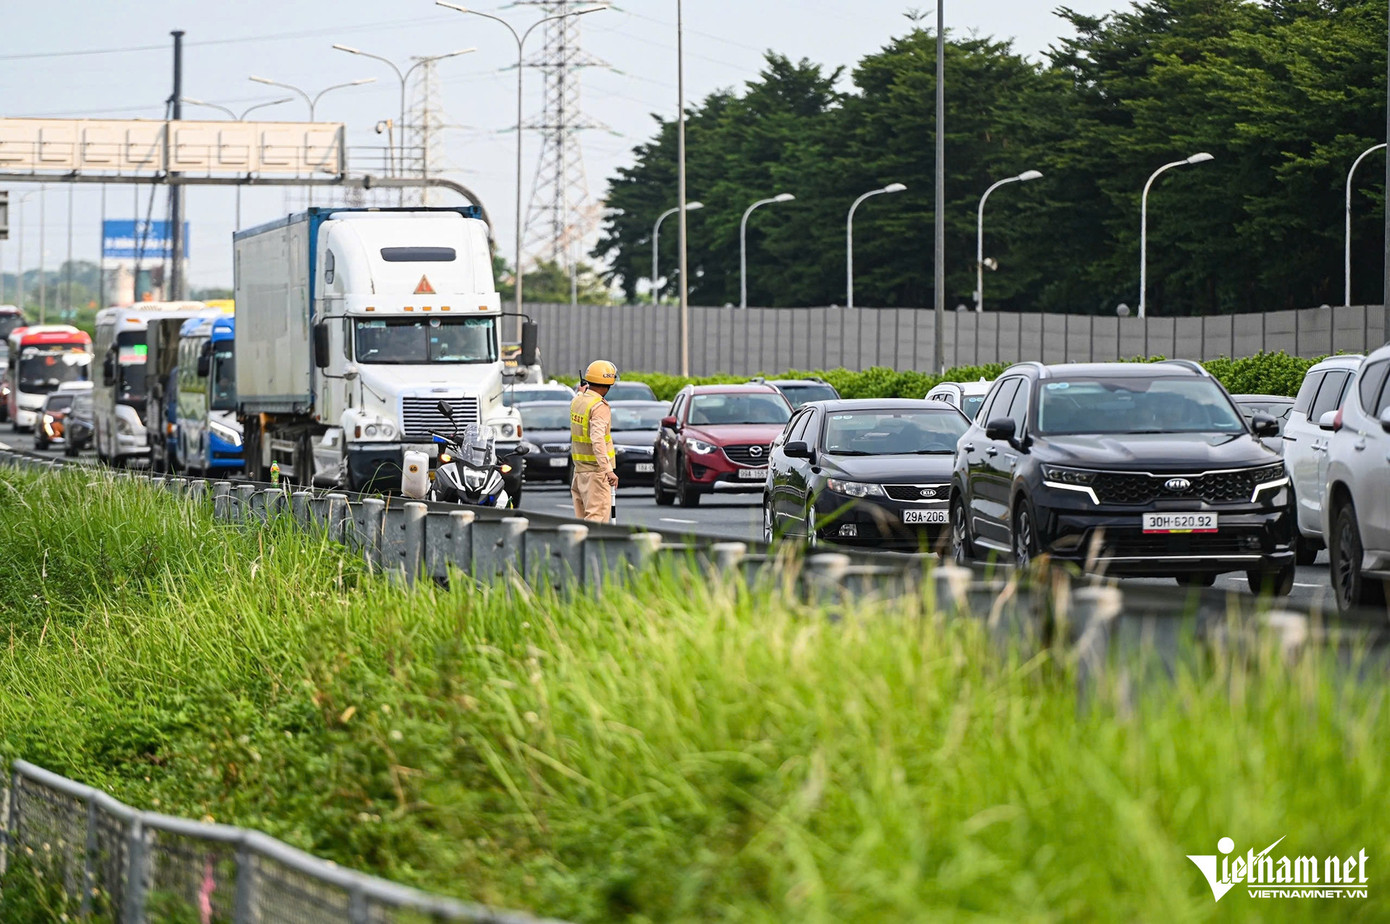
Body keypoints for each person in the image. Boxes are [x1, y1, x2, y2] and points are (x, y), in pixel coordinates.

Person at [570, 360, 619, 521]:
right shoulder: (599, 407)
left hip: (579, 472)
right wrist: (608, 470)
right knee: (597, 521)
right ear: (608, 383)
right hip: (596, 473)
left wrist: (582, 391)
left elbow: (581, 395)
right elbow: (597, 439)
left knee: (582, 521)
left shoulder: (578, 400)